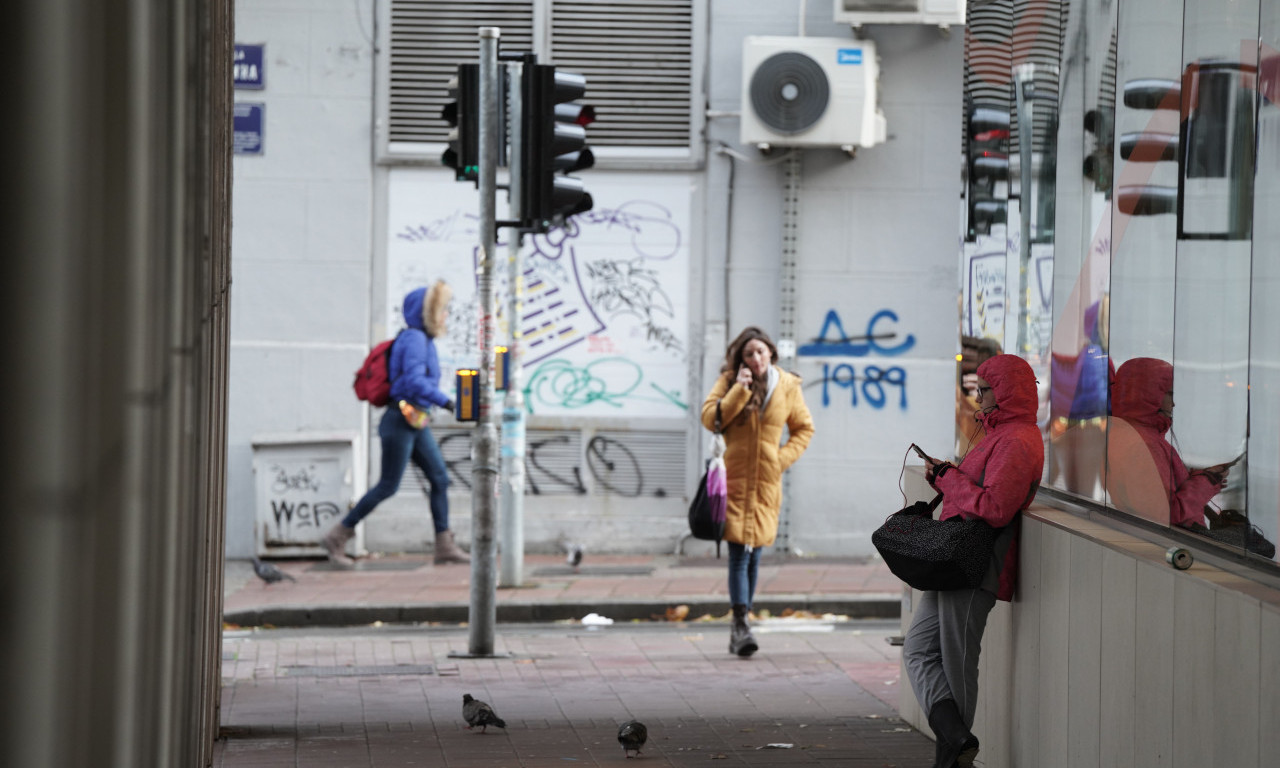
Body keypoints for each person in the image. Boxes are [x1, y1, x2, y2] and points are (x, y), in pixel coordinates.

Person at [904, 354, 1043, 768]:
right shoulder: (998, 434)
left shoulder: (1017, 440)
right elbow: (977, 491)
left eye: (983, 390)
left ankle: (954, 756)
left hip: (975, 564)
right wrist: (945, 477)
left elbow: (995, 508)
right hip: (954, 559)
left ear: (1005, 392)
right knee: (918, 650)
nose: (977, 398)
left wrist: (948, 478)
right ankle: (956, 738)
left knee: (957, 664)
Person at [321, 281, 470, 567]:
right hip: (401, 420)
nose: (446, 315)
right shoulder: (414, 339)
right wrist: (448, 403)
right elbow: (413, 381)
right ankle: (337, 535)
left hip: (415, 420)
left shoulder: (422, 339)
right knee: (388, 485)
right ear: (428, 312)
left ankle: (444, 545)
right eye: (441, 310)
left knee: (439, 479)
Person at [700, 326, 814, 657]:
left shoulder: (787, 385)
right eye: (749, 353)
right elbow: (710, 418)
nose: (756, 358)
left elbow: (804, 428)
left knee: (755, 555)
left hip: (766, 482)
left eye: (761, 352)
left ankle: (742, 623)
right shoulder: (729, 381)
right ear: (741, 358)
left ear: (770, 354)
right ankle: (741, 624)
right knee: (739, 553)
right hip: (734, 481)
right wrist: (738, 389)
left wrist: (780, 460)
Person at [1107, 357, 1228, 529]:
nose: (1174, 403)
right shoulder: (1144, 445)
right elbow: (1168, 513)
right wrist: (1205, 482)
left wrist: (1199, 477)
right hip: (1170, 540)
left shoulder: (1122, 433)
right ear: (1148, 394)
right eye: (1170, 394)